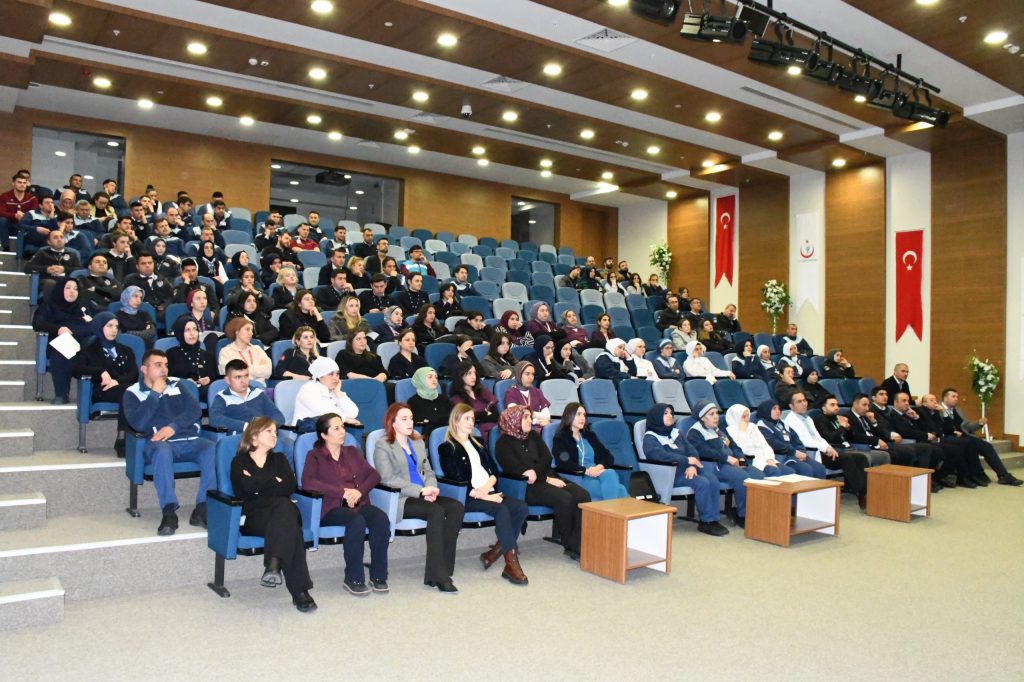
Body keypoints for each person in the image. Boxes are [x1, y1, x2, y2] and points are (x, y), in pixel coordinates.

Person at [122, 349, 216, 535]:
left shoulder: (177, 384)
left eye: (165, 365)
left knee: (212, 449)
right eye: (158, 365)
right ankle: (168, 511)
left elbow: (194, 411)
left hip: (188, 439)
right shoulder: (132, 392)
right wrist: (154, 394)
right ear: (144, 369)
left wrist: (173, 427)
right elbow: (137, 423)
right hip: (158, 443)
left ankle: (202, 508)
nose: (164, 369)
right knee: (162, 451)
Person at [374, 403, 465, 593]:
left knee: (456, 507)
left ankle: (442, 567)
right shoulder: (383, 445)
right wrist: (421, 491)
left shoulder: (417, 443)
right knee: (436, 511)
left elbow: (429, 471)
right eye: (404, 419)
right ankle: (439, 575)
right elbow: (388, 479)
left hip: (424, 494)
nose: (410, 422)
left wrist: (431, 488)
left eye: (411, 418)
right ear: (392, 422)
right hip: (401, 498)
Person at [230, 417, 315, 611]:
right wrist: (273, 481)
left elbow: (288, 486)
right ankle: (299, 591)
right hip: (255, 517)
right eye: (269, 431)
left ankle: (274, 565)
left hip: (281, 512)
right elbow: (246, 488)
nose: (274, 435)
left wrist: (259, 484)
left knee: (284, 508)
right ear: (254, 436)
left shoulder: (280, 459)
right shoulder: (239, 461)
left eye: (275, 432)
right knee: (290, 526)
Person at [438, 404, 529, 585]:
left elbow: (494, 471)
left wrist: (487, 488)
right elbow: (456, 478)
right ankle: (511, 564)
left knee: (521, 507)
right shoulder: (447, 448)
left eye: (472, 419)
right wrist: (484, 496)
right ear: (455, 421)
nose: (471, 422)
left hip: (489, 492)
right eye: (466, 418)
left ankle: (494, 552)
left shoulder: (478, 444)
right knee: (502, 509)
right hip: (468, 497)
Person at [301, 413, 390, 596]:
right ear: (324, 435)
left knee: (381, 519)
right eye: (336, 428)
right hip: (331, 507)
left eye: (342, 427)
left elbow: (374, 475)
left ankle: (379, 575)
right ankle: (353, 577)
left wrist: (359, 491)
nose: (342, 431)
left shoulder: (352, 452)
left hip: (358, 502)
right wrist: (342, 492)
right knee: (356, 521)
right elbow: (308, 482)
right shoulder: (314, 456)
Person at [495, 404, 590, 560]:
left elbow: (547, 458)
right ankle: (571, 545)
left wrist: (545, 477)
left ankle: (579, 540)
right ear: (513, 419)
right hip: (525, 487)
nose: (530, 420)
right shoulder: (503, 443)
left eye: (530, 417)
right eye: (525, 417)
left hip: (546, 477)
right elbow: (518, 470)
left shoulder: (533, 435)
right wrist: (545, 478)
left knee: (582, 495)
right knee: (564, 498)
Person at [641, 403, 729, 536]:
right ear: (657, 416)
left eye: (671, 413)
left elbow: (692, 450)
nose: (670, 415)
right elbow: (661, 456)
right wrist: (687, 461)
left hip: (688, 469)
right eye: (665, 413)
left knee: (712, 479)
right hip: (670, 474)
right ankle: (706, 521)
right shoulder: (650, 438)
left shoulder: (676, 433)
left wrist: (692, 465)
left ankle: (714, 519)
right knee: (702, 483)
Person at [785, 391, 870, 508]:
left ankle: (865, 492)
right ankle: (861, 495)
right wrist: (826, 448)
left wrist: (828, 447)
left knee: (861, 458)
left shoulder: (807, 418)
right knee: (847, 459)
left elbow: (818, 437)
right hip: (811, 453)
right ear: (791, 406)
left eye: (804, 400)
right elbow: (805, 441)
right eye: (799, 402)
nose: (804, 404)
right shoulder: (791, 420)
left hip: (822, 449)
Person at [686, 399, 759, 527]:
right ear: (702, 418)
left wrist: (741, 460)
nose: (716, 417)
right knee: (743, 477)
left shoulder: (719, 429)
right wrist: (728, 458)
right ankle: (743, 515)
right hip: (716, 466)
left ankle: (757, 512)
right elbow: (705, 452)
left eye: (716, 413)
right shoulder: (695, 432)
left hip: (732, 463)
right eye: (711, 414)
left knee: (758, 475)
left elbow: (735, 447)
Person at [74, 312, 138, 453]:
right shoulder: (89, 350)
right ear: (99, 326)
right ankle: (122, 440)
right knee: (130, 391)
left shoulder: (126, 350)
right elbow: (76, 369)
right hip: (103, 391)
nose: (114, 330)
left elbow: (134, 374)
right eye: (109, 326)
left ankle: (135, 438)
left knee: (130, 391)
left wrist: (116, 381)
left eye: (116, 326)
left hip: (125, 388)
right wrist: (100, 371)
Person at [32, 277, 96, 404]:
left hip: (87, 340)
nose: (72, 291)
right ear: (60, 290)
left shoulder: (84, 304)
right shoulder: (49, 306)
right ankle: (61, 394)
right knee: (61, 353)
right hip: (64, 341)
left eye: (75, 289)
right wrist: (58, 329)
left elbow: (99, 318)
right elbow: (37, 323)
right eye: (68, 288)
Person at [939, 388, 1022, 486]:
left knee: (987, 446)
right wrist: (953, 432)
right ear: (945, 398)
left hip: (964, 436)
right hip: (948, 437)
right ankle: (976, 474)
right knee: (971, 444)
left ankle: (1003, 475)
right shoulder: (938, 409)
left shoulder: (958, 410)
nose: (956, 399)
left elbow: (966, 426)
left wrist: (979, 423)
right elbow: (937, 426)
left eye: (957, 396)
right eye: (953, 396)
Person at [552, 403, 628, 501]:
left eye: (584, 415)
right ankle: (613, 510)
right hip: (579, 476)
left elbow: (608, 457)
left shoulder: (589, 435)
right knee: (621, 490)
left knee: (610, 473)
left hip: (596, 473)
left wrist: (597, 468)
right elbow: (563, 462)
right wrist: (586, 471)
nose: (582, 418)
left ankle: (608, 510)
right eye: (578, 414)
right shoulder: (561, 438)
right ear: (568, 415)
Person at [753, 400, 827, 478]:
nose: (778, 411)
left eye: (779, 408)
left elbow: (797, 440)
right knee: (806, 469)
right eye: (774, 409)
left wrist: (801, 451)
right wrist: (794, 452)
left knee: (819, 468)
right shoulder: (761, 426)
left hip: (795, 454)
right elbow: (774, 444)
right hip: (781, 457)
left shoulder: (783, 423)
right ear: (766, 411)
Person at [209, 360, 286, 432]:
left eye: (246, 376)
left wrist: (266, 426)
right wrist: (246, 426)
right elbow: (214, 419)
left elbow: (278, 416)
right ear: (227, 380)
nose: (243, 381)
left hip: (262, 434)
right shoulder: (223, 397)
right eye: (238, 377)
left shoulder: (258, 393)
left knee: (286, 440)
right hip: (239, 436)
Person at [292, 357, 361, 428]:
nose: (335, 378)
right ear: (320, 376)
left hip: (329, 431)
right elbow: (325, 412)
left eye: (337, 374)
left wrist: (338, 393)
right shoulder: (308, 389)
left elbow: (353, 413)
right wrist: (345, 419)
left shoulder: (334, 391)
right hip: (307, 432)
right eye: (331, 374)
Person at [724, 405, 790, 477]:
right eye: (743, 417)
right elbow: (743, 450)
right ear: (736, 417)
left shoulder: (752, 426)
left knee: (789, 471)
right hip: (752, 460)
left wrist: (770, 459)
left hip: (765, 458)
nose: (747, 419)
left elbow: (765, 445)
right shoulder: (730, 431)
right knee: (774, 472)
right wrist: (742, 432)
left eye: (748, 416)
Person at [449, 360, 499, 441]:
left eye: (474, 373)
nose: (474, 377)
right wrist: (486, 413)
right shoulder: (457, 398)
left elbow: (496, 415)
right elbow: (469, 419)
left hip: (496, 428)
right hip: (477, 431)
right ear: (460, 376)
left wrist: (480, 416)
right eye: (469, 373)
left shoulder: (484, 391)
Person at [166, 318, 216, 399]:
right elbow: (168, 378)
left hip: (205, 393)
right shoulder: (171, 354)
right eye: (187, 330)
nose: (192, 333)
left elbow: (215, 377)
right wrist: (184, 382)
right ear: (180, 333)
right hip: (181, 393)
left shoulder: (207, 355)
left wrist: (209, 379)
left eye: (195, 329)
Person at [23, 228, 81, 295]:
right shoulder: (42, 252)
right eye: (55, 237)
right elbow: (27, 268)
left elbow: (79, 270)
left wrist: (64, 269)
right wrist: (46, 269)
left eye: (61, 237)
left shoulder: (72, 254)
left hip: (67, 280)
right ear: (49, 242)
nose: (59, 239)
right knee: (50, 283)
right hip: (48, 280)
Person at [219, 317, 273, 384]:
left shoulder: (257, 349)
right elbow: (230, 374)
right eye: (247, 329)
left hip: (260, 387)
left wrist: (243, 370)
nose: (251, 333)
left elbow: (268, 371)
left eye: (251, 330)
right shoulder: (226, 352)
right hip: (238, 387)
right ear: (237, 331)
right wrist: (258, 370)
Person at [504, 362, 551, 427]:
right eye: (527, 374)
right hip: (521, 429)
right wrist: (537, 421)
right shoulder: (511, 392)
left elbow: (547, 416)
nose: (530, 377)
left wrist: (530, 415)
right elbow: (516, 416)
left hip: (538, 428)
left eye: (533, 374)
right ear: (519, 374)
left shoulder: (537, 392)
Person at [408, 367, 452, 436]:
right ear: (421, 380)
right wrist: (442, 419)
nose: (434, 379)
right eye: (430, 377)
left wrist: (431, 420)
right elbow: (420, 422)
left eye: (436, 377)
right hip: (428, 437)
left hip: (449, 434)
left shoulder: (444, 398)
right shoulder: (413, 401)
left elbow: (452, 418)